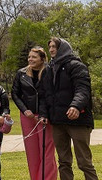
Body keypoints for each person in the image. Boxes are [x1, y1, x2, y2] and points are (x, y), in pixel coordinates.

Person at [38, 37, 98, 180]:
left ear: (63, 48)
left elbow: (83, 89)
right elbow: (44, 95)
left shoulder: (77, 66)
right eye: (50, 47)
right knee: (64, 162)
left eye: (55, 46)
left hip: (78, 120)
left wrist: (75, 106)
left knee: (84, 162)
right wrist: (43, 114)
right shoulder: (48, 70)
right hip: (58, 121)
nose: (51, 49)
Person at [11, 46, 57, 180]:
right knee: (32, 153)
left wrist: (45, 114)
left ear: (42, 59)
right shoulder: (21, 73)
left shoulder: (49, 71)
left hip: (45, 117)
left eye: (34, 57)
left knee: (47, 152)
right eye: (29, 57)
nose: (30, 59)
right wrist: (24, 110)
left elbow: (48, 95)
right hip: (27, 117)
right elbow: (15, 94)